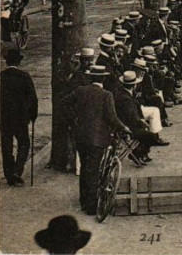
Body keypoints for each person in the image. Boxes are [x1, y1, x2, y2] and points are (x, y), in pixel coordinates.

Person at [61, 65, 130, 215]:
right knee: (93, 170)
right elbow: (112, 118)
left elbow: (64, 102)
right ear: (104, 78)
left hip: (80, 137)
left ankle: (84, 200)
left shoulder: (80, 91)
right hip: (98, 139)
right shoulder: (106, 95)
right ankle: (91, 206)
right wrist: (124, 128)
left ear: (91, 77)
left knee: (85, 167)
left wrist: (73, 120)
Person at [0, 49, 37, 186]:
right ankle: (18, 169)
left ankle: (9, 174)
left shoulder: (1, 76)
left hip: (5, 118)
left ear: (6, 61)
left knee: (6, 146)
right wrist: (33, 115)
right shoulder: (24, 76)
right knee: (24, 143)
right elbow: (33, 98)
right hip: (21, 118)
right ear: (19, 61)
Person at [114, 71, 163, 163]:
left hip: (125, 124)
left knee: (147, 132)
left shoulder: (123, 93)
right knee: (151, 136)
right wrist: (142, 122)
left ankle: (142, 153)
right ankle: (137, 153)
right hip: (128, 127)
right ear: (134, 85)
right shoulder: (127, 99)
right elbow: (131, 117)